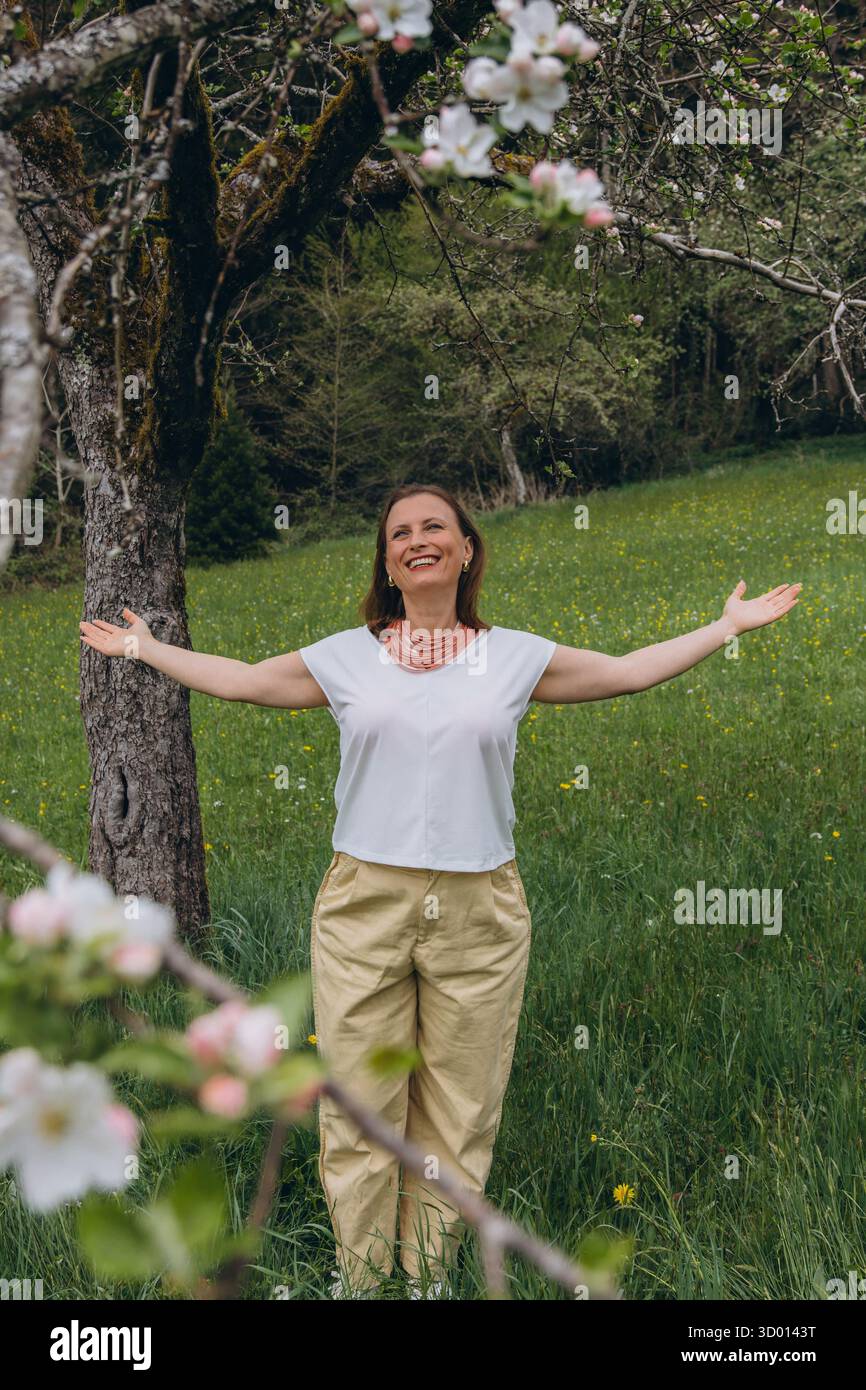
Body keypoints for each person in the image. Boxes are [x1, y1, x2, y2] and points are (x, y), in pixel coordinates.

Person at [79, 482, 801, 1299]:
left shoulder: (518, 656)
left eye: (434, 528)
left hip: (480, 904)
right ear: (388, 563)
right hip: (364, 900)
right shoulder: (348, 655)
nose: (417, 540)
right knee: (358, 1101)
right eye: (399, 533)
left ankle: (426, 1277)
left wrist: (725, 627)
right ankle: (362, 1278)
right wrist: (143, 649)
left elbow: (628, 673)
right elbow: (245, 680)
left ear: (465, 550)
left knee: (460, 1105)